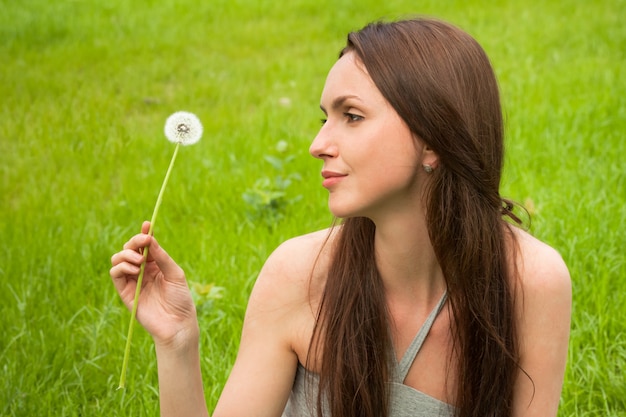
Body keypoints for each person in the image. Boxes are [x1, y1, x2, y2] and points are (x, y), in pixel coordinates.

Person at [110, 17, 571, 417]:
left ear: (433, 140)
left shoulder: (530, 283)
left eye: (351, 116)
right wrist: (176, 342)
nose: (319, 145)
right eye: (324, 118)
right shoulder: (300, 274)